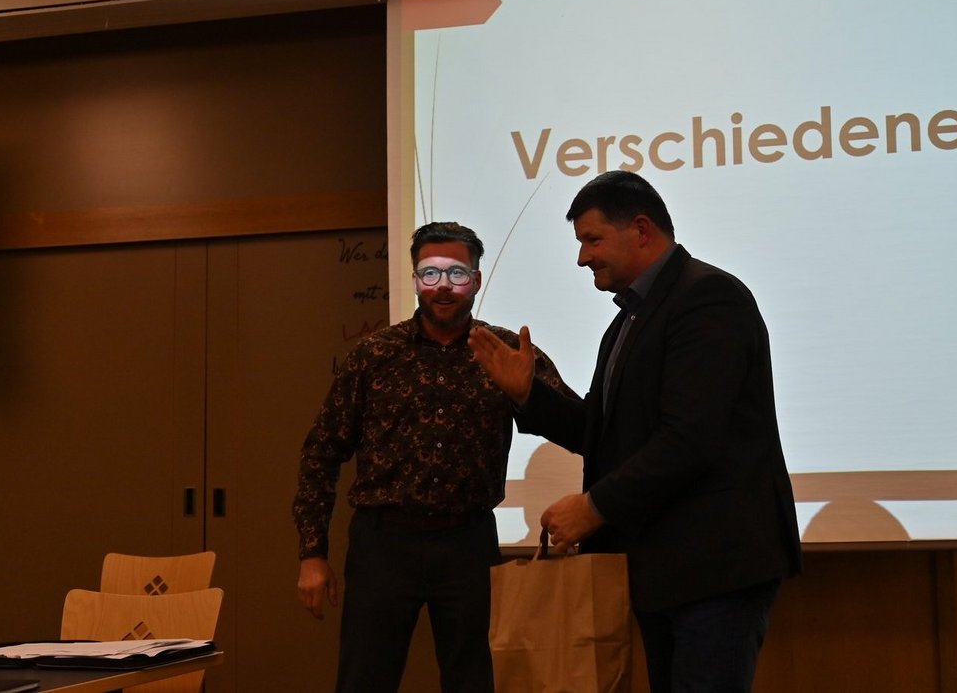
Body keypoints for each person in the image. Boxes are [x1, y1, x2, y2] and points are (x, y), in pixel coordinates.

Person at [469, 170, 803, 693]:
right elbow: (604, 434)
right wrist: (528, 395)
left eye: (592, 240)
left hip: (714, 567)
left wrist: (594, 507)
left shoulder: (710, 298)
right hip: (662, 567)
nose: (583, 258)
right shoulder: (628, 320)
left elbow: (690, 439)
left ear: (642, 230)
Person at [292, 220, 571, 693]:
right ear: (416, 279)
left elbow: (577, 425)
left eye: (457, 273)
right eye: (431, 273)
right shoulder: (374, 355)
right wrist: (312, 553)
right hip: (383, 543)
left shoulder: (504, 352)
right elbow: (321, 452)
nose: (444, 285)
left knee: (475, 681)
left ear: (476, 280)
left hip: (468, 543)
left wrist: (527, 396)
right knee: (364, 680)